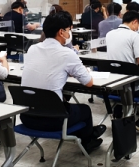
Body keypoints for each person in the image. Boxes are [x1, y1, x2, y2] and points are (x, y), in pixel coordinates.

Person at [21, 11, 106, 153]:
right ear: (61, 32)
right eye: (69, 30)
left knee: (65, 104)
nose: (69, 33)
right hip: (53, 120)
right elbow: (89, 83)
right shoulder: (67, 54)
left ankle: (88, 133)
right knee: (84, 110)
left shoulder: (32, 48)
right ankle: (88, 141)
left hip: (27, 116)